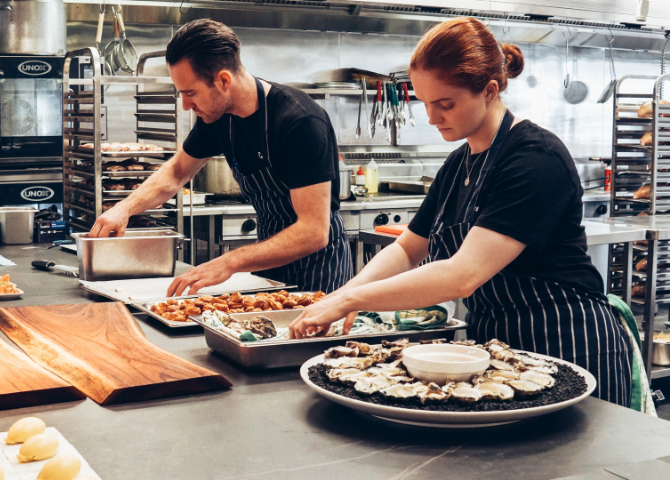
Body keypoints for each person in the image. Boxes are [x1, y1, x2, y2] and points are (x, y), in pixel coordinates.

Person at [289, 17, 632, 407]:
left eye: (445, 104)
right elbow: (407, 250)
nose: (432, 118)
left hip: (567, 340)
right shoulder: (458, 163)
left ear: (488, 91)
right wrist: (343, 294)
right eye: (425, 104)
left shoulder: (535, 158)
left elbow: (462, 275)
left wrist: (352, 301)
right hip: (496, 351)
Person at [89, 19, 352, 295]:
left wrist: (229, 261)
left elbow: (313, 231)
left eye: (191, 93)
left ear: (223, 80)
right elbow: (177, 172)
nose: (187, 105)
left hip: (320, 272)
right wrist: (123, 209)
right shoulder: (218, 118)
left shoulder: (300, 121)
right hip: (268, 265)